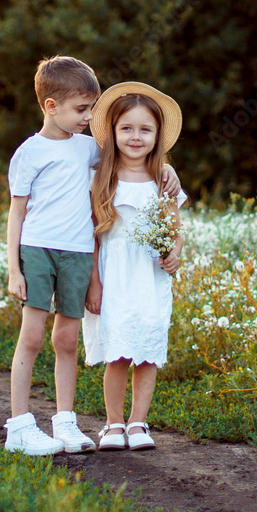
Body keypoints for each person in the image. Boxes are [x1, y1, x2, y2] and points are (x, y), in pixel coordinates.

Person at [5, 58, 181, 456]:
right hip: (38, 249)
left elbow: (135, 162)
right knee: (32, 336)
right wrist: (14, 268)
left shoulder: (89, 149)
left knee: (66, 339)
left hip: (80, 254)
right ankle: (20, 425)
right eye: (83, 109)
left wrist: (168, 171)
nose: (89, 117)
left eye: (92, 108)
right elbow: (16, 212)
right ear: (52, 106)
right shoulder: (29, 153)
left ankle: (65, 422)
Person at [82, 82, 187, 451]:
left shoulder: (162, 180)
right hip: (113, 274)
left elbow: (175, 229)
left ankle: (138, 422)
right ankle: (113, 424)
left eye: (145, 129)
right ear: (113, 132)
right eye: (127, 128)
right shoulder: (101, 177)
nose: (136, 137)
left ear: (158, 135)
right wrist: (94, 284)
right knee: (118, 350)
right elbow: (93, 238)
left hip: (149, 274)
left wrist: (174, 253)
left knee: (146, 348)